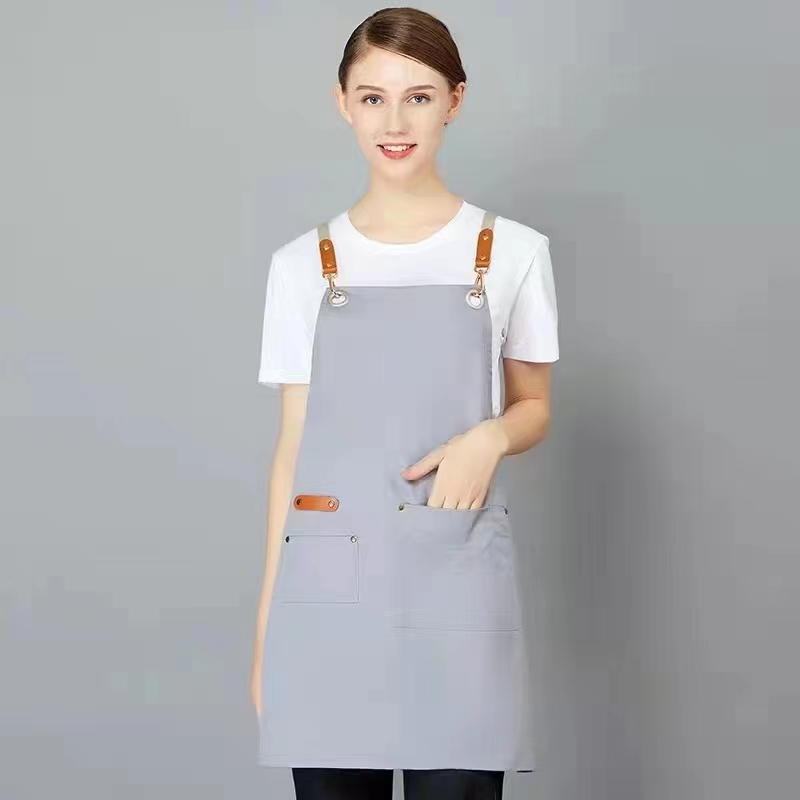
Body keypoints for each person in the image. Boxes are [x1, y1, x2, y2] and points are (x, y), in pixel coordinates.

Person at [249, 8, 559, 799]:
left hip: (454, 577)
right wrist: (267, 634)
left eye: (418, 97)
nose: (395, 122)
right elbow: (293, 447)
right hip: (327, 594)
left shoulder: (513, 252)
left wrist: (490, 438)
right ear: (343, 103)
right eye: (373, 97)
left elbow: (533, 405)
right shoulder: (300, 266)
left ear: (455, 100)